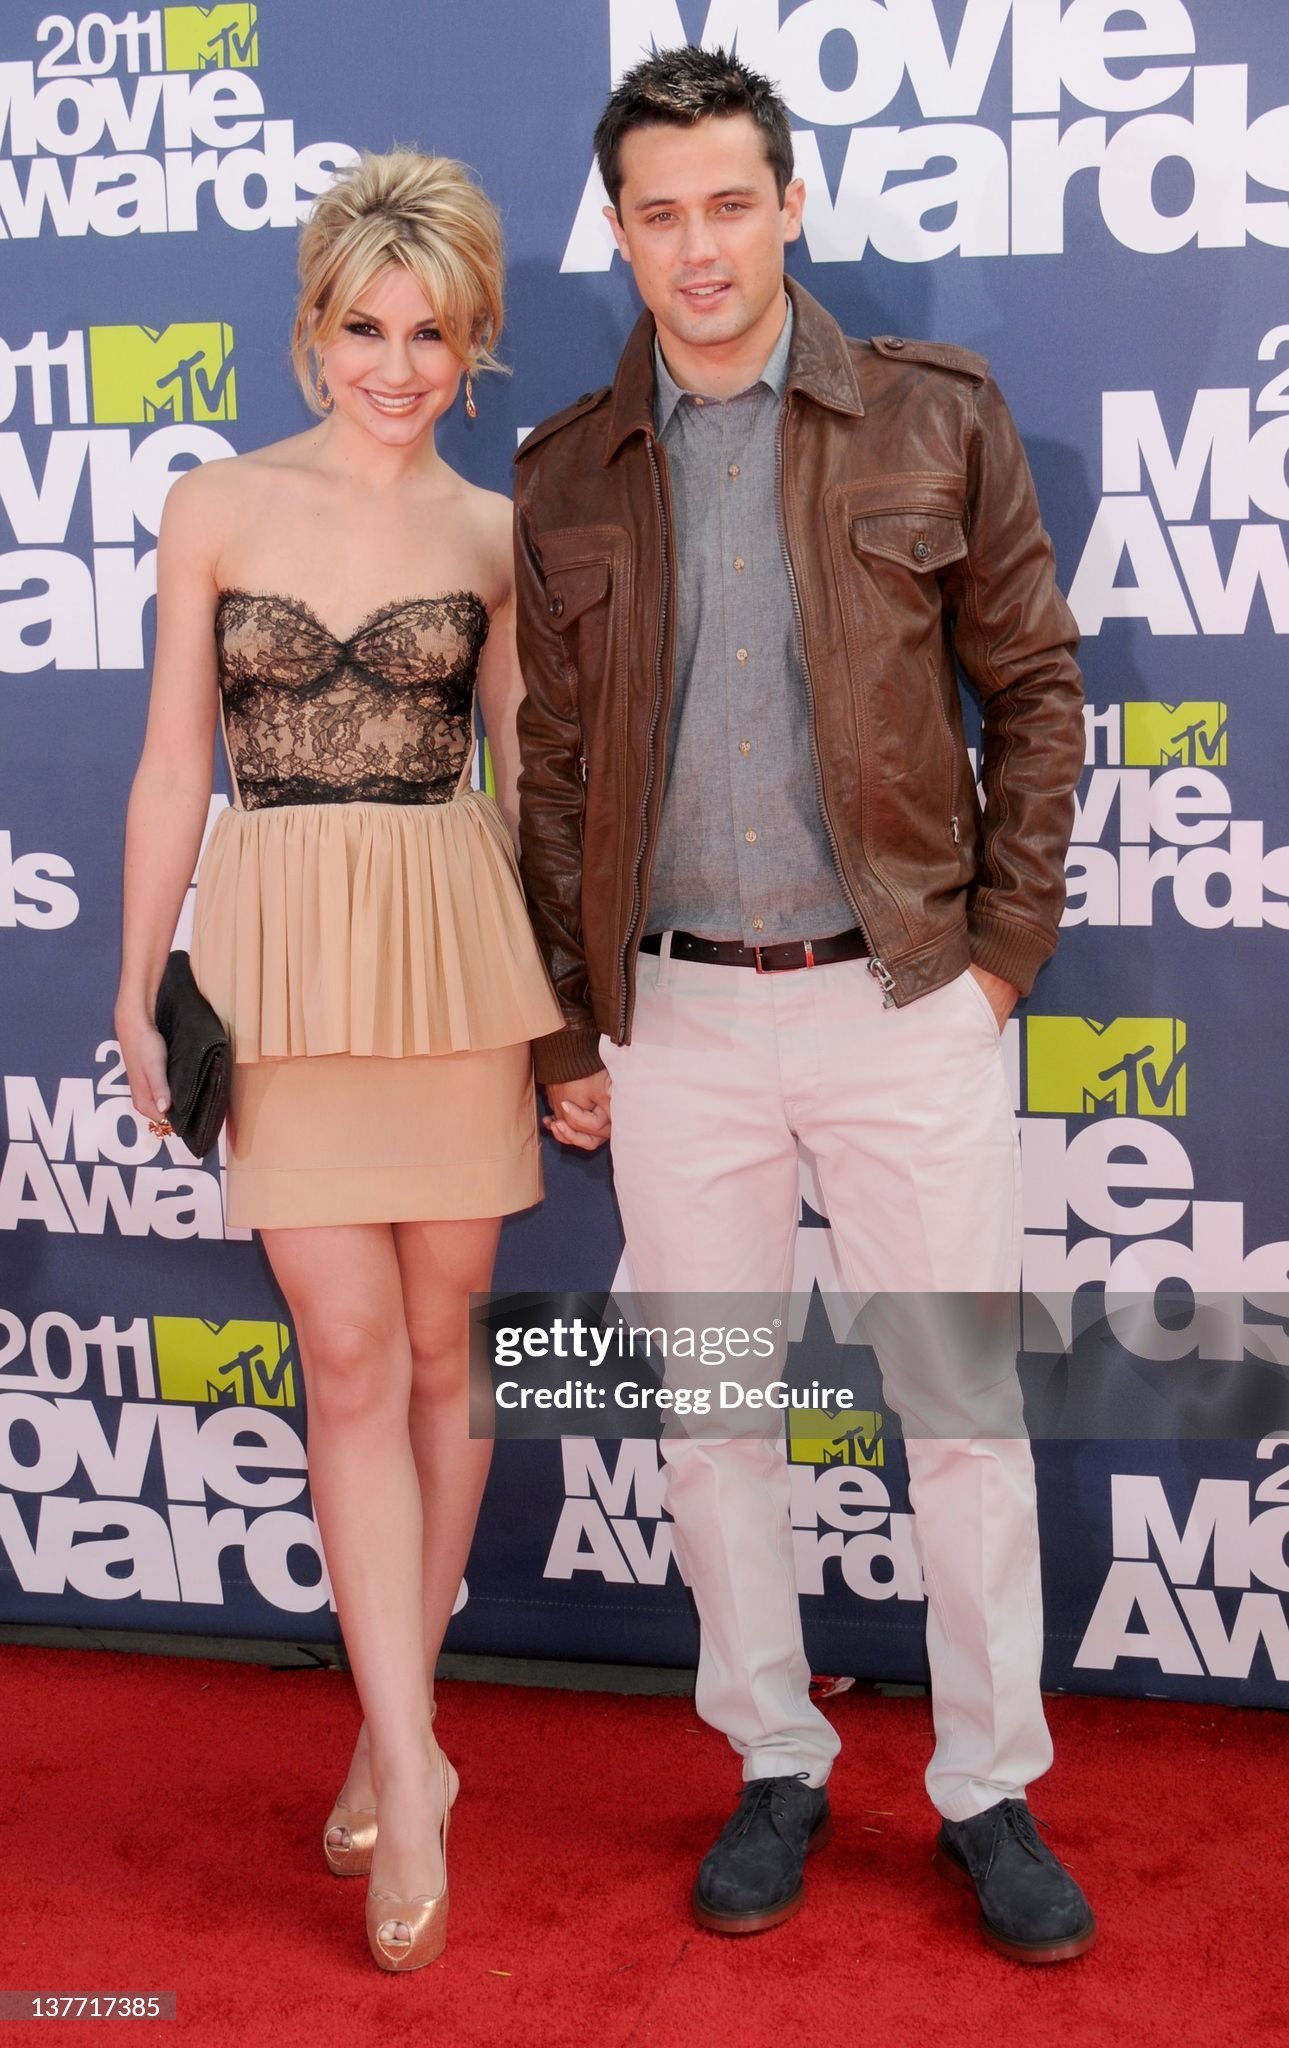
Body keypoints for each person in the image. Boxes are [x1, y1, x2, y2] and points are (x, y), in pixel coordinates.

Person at [513, 47, 1095, 1963]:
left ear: (786, 205)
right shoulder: (566, 470)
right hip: (672, 1022)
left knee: (962, 1413)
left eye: (727, 204)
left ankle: (987, 1789)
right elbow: (552, 768)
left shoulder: (934, 414)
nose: (696, 247)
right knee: (712, 1423)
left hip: (902, 993)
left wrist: (998, 959)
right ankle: (774, 1759)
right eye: (657, 214)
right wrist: (561, 1024)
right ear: (619, 232)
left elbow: (1036, 688)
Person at [115, 150, 561, 1973]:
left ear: (472, 344)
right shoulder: (215, 504)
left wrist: (565, 1016)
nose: (396, 365)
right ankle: (413, 1767)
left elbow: (521, 782)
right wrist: (136, 986)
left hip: (455, 954)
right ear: (313, 333)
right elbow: (173, 762)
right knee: (352, 1353)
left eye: (430, 334)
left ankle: (399, 1731)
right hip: (280, 960)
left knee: (448, 1351)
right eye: (366, 329)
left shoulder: (495, 535)